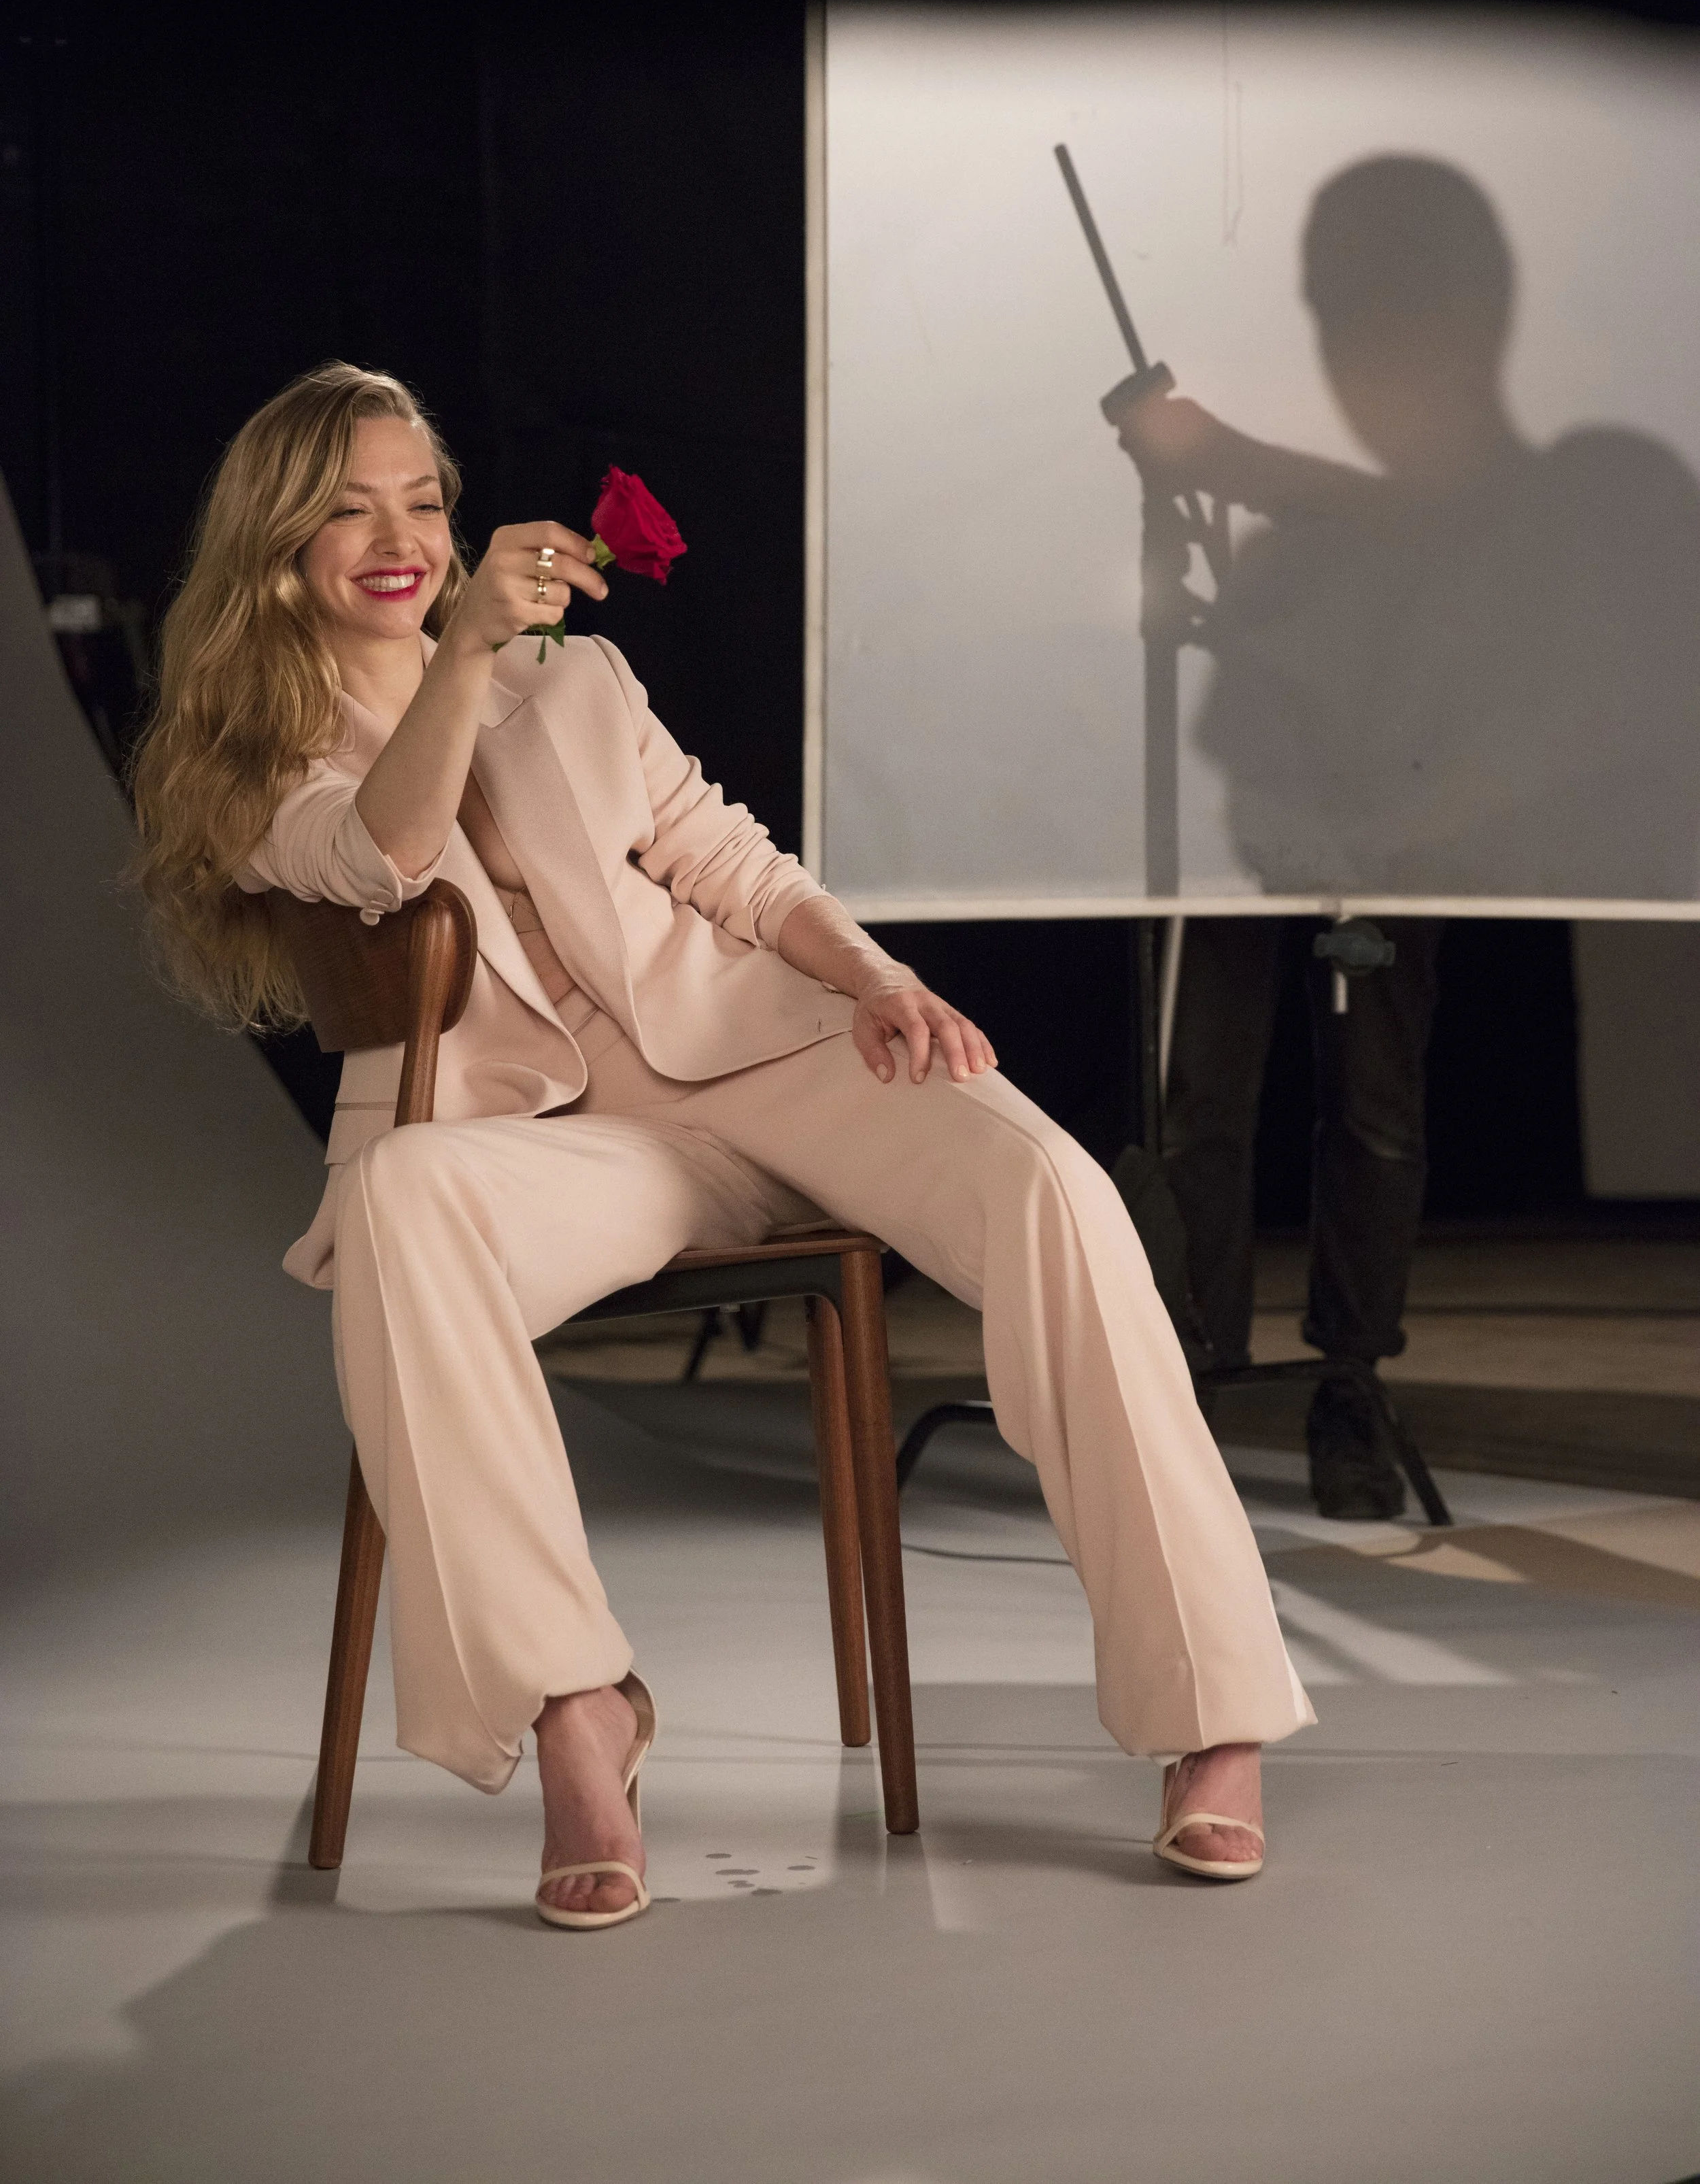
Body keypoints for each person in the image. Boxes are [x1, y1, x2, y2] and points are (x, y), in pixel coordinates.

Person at [133, 361, 1313, 1923]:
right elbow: (380, 852)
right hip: (574, 1146)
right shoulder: (255, 764)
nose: (398, 537)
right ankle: (577, 1710)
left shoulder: (580, 683)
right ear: (278, 542)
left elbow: (732, 869)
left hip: (769, 1054)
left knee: (1050, 1188)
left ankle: (1208, 1707)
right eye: (347, 510)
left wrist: (879, 981)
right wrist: (468, 652)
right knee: (401, 1204)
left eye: (423, 500)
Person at [1112, 156, 1700, 1515]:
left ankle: (1348, 1392)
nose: (1351, 341)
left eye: (1380, 302)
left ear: (1473, 306)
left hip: (1389, 852)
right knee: (1201, 1111)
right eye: (1332, 306)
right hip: (1251, 851)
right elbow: (1234, 711)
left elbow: (1448, 529)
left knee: (1370, 1118)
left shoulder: (1581, 476)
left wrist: (1225, 460)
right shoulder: (1291, 541)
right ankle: (1193, 1380)